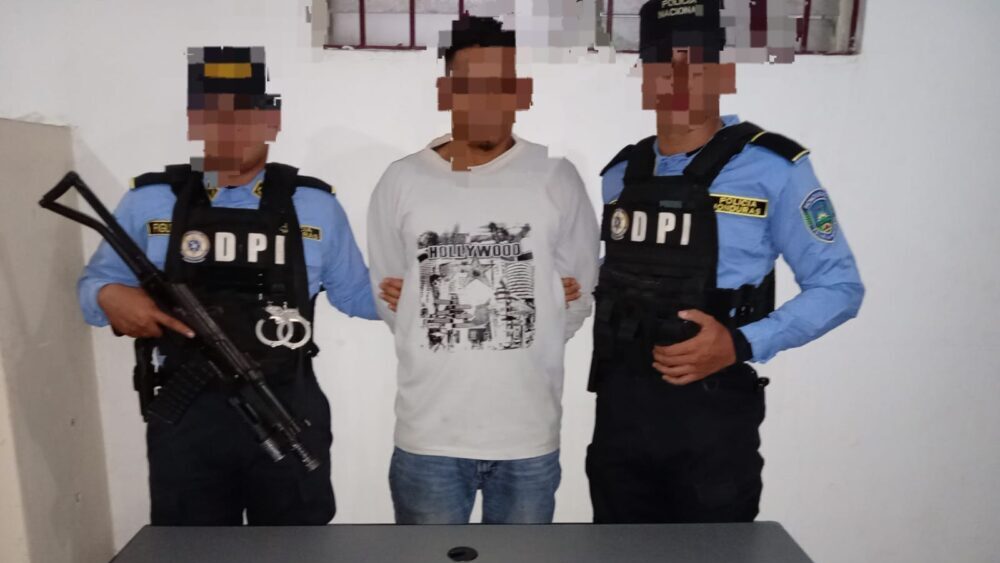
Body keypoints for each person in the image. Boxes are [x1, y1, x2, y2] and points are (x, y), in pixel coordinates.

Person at [585, 0, 865, 524]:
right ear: (645, 76)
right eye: (663, 61)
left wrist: (741, 343)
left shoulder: (773, 168)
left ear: (723, 72)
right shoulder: (621, 175)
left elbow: (840, 288)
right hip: (621, 419)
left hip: (712, 426)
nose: (680, 76)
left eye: (697, 60)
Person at [77, 46, 377, 525]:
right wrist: (106, 295)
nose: (231, 130)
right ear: (194, 123)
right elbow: (96, 285)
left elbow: (357, 295)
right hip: (187, 418)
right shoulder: (151, 201)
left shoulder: (314, 206)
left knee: (296, 552)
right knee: (191, 552)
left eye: (246, 115)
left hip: (285, 406)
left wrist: (426, 286)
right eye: (214, 115)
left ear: (272, 122)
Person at [366, 16, 600, 525]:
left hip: (528, 437)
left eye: (501, 84)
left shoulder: (556, 177)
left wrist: (538, 318)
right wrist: (432, 319)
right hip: (429, 437)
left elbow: (580, 293)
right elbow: (390, 295)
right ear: (447, 91)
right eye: (471, 84)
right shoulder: (402, 180)